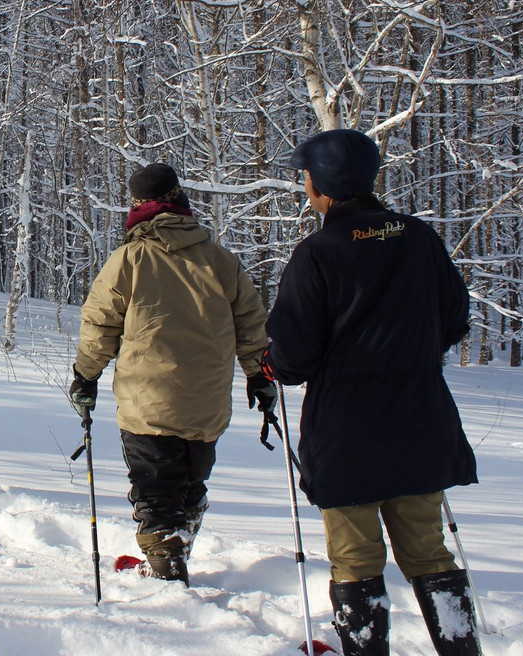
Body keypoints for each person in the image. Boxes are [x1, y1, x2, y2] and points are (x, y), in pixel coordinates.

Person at [264, 129, 480, 656]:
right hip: (420, 423)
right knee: (429, 551)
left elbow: (293, 357)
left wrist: (271, 364)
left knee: (357, 559)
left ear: (324, 185)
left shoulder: (318, 253)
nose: (305, 187)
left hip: (347, 435)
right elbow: (454, 320)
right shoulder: (420, 237)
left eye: (306, 178)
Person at [69, 163, 273, 584]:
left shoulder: (129, 258)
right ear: (181, 203)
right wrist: (259, 375)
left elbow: (100, 324)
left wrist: (85, 375)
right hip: (207, 405)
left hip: (149, 402)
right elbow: (252, 326)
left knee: (156, 495)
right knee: (190, 487)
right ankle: (172, 556)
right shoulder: (221, 261)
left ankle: (167, 579)